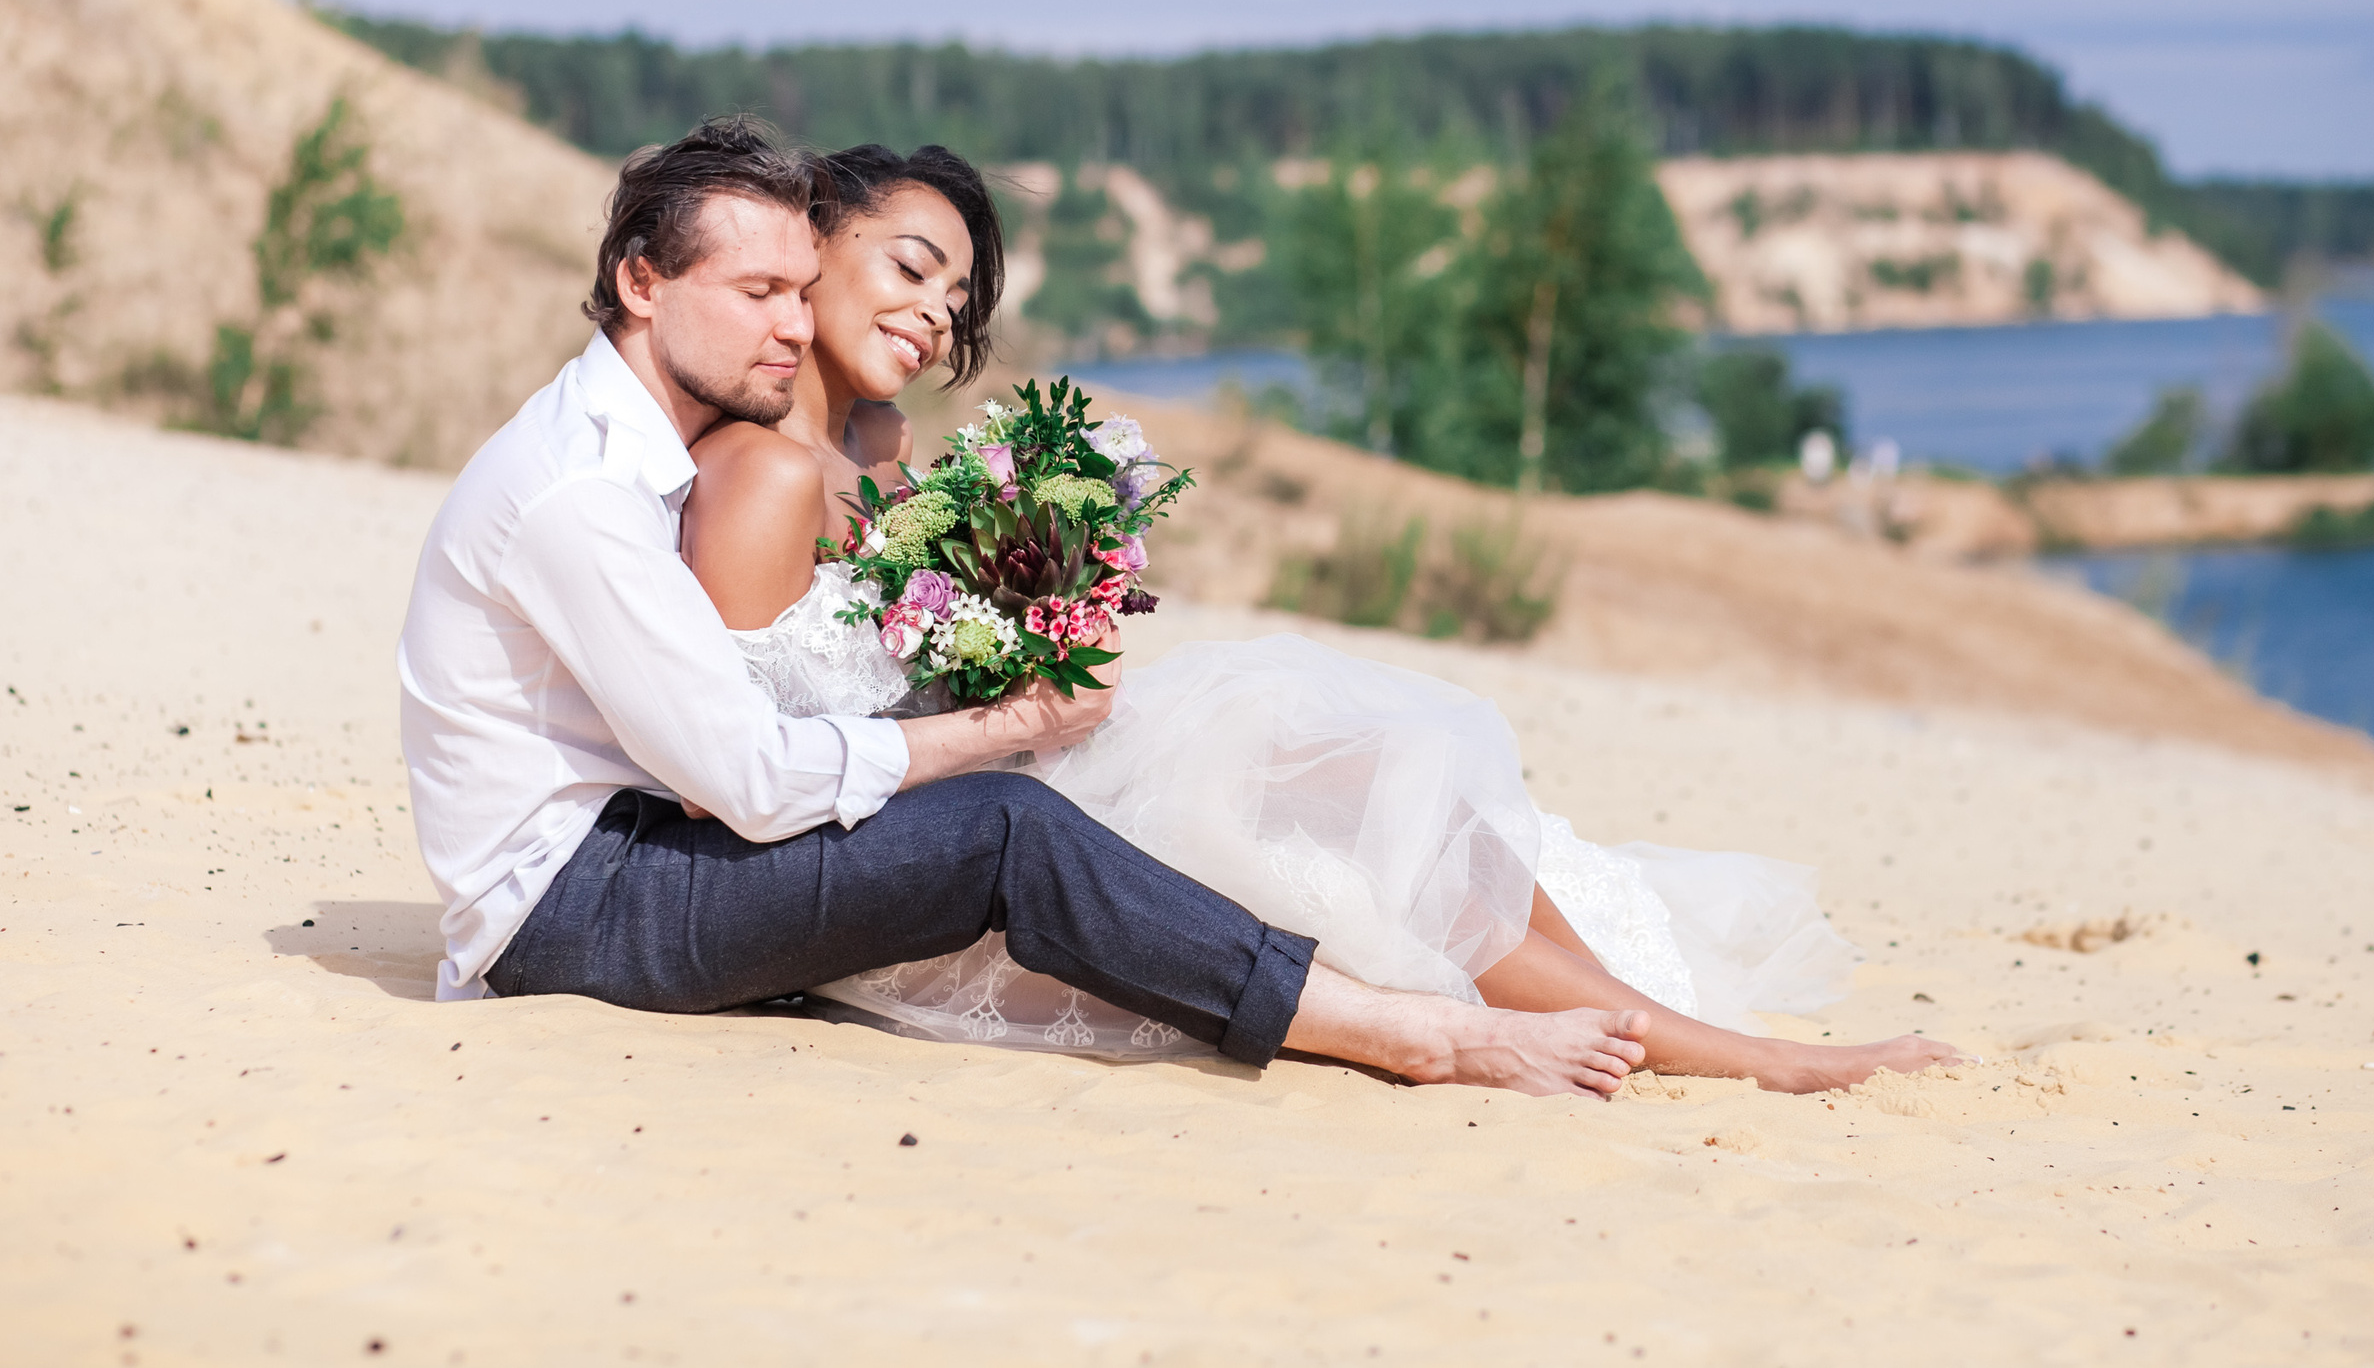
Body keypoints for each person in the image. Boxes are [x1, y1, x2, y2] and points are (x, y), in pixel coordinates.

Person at [396, 116, 1652, 1100]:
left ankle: (1573, 1007)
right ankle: (1404, 1036)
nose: (787, 326)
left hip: (639, 852)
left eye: (796, 289)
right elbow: (741, 779)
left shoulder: (657, 451)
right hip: (577, 910)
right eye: (755, 295)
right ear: (641, 281)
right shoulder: (579, 493)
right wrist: (1005, 728)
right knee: (1003, 827)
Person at [682, 133, 1965, 1093]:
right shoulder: (765, 475)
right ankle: (1727, 1056)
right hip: (919, 860)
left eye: (956, 300)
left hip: (986, 786)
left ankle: (1655, 1022)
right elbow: (740, 767)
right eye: (911, 267)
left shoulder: (871, 461)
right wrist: (1007, 712)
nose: (933, 312)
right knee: (1317, 769)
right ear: (810, 242)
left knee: (1360, 757)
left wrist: (1040, 629)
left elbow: (909, 660)